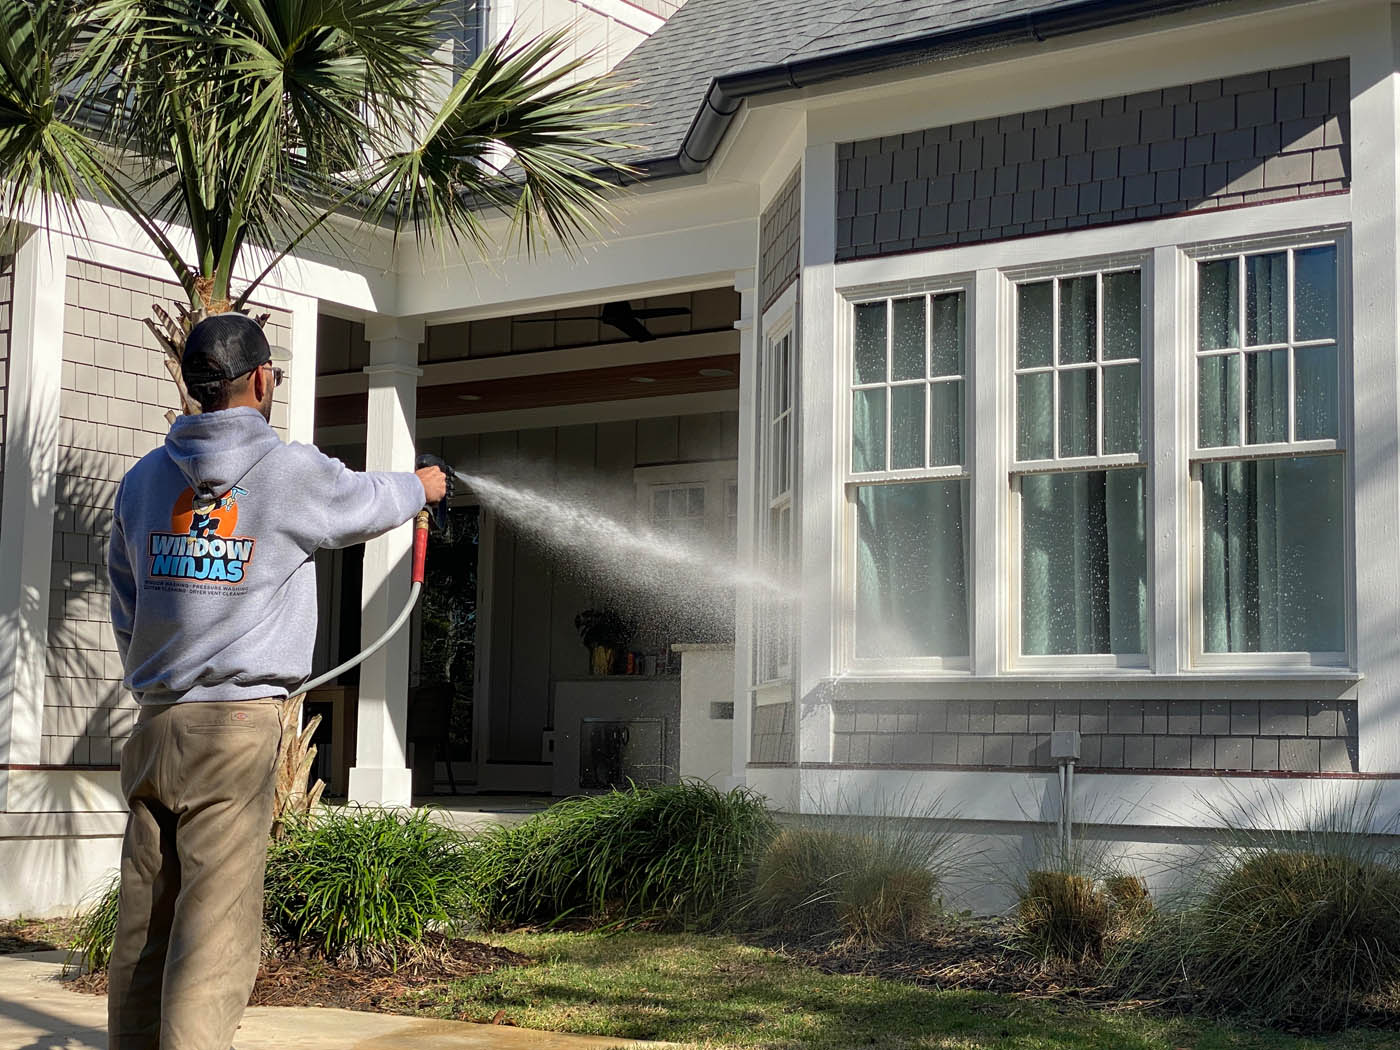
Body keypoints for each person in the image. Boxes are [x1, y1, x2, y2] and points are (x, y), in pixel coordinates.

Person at [105, 312, 448, 1050]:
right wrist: (420, 487)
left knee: (145, 928)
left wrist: (161, 679)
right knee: (213, 936)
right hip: (233, 730)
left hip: (156, 723)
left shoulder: (141, 482)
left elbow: (125, 602)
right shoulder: (290, 473)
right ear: (260, 380)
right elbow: (367, 501)